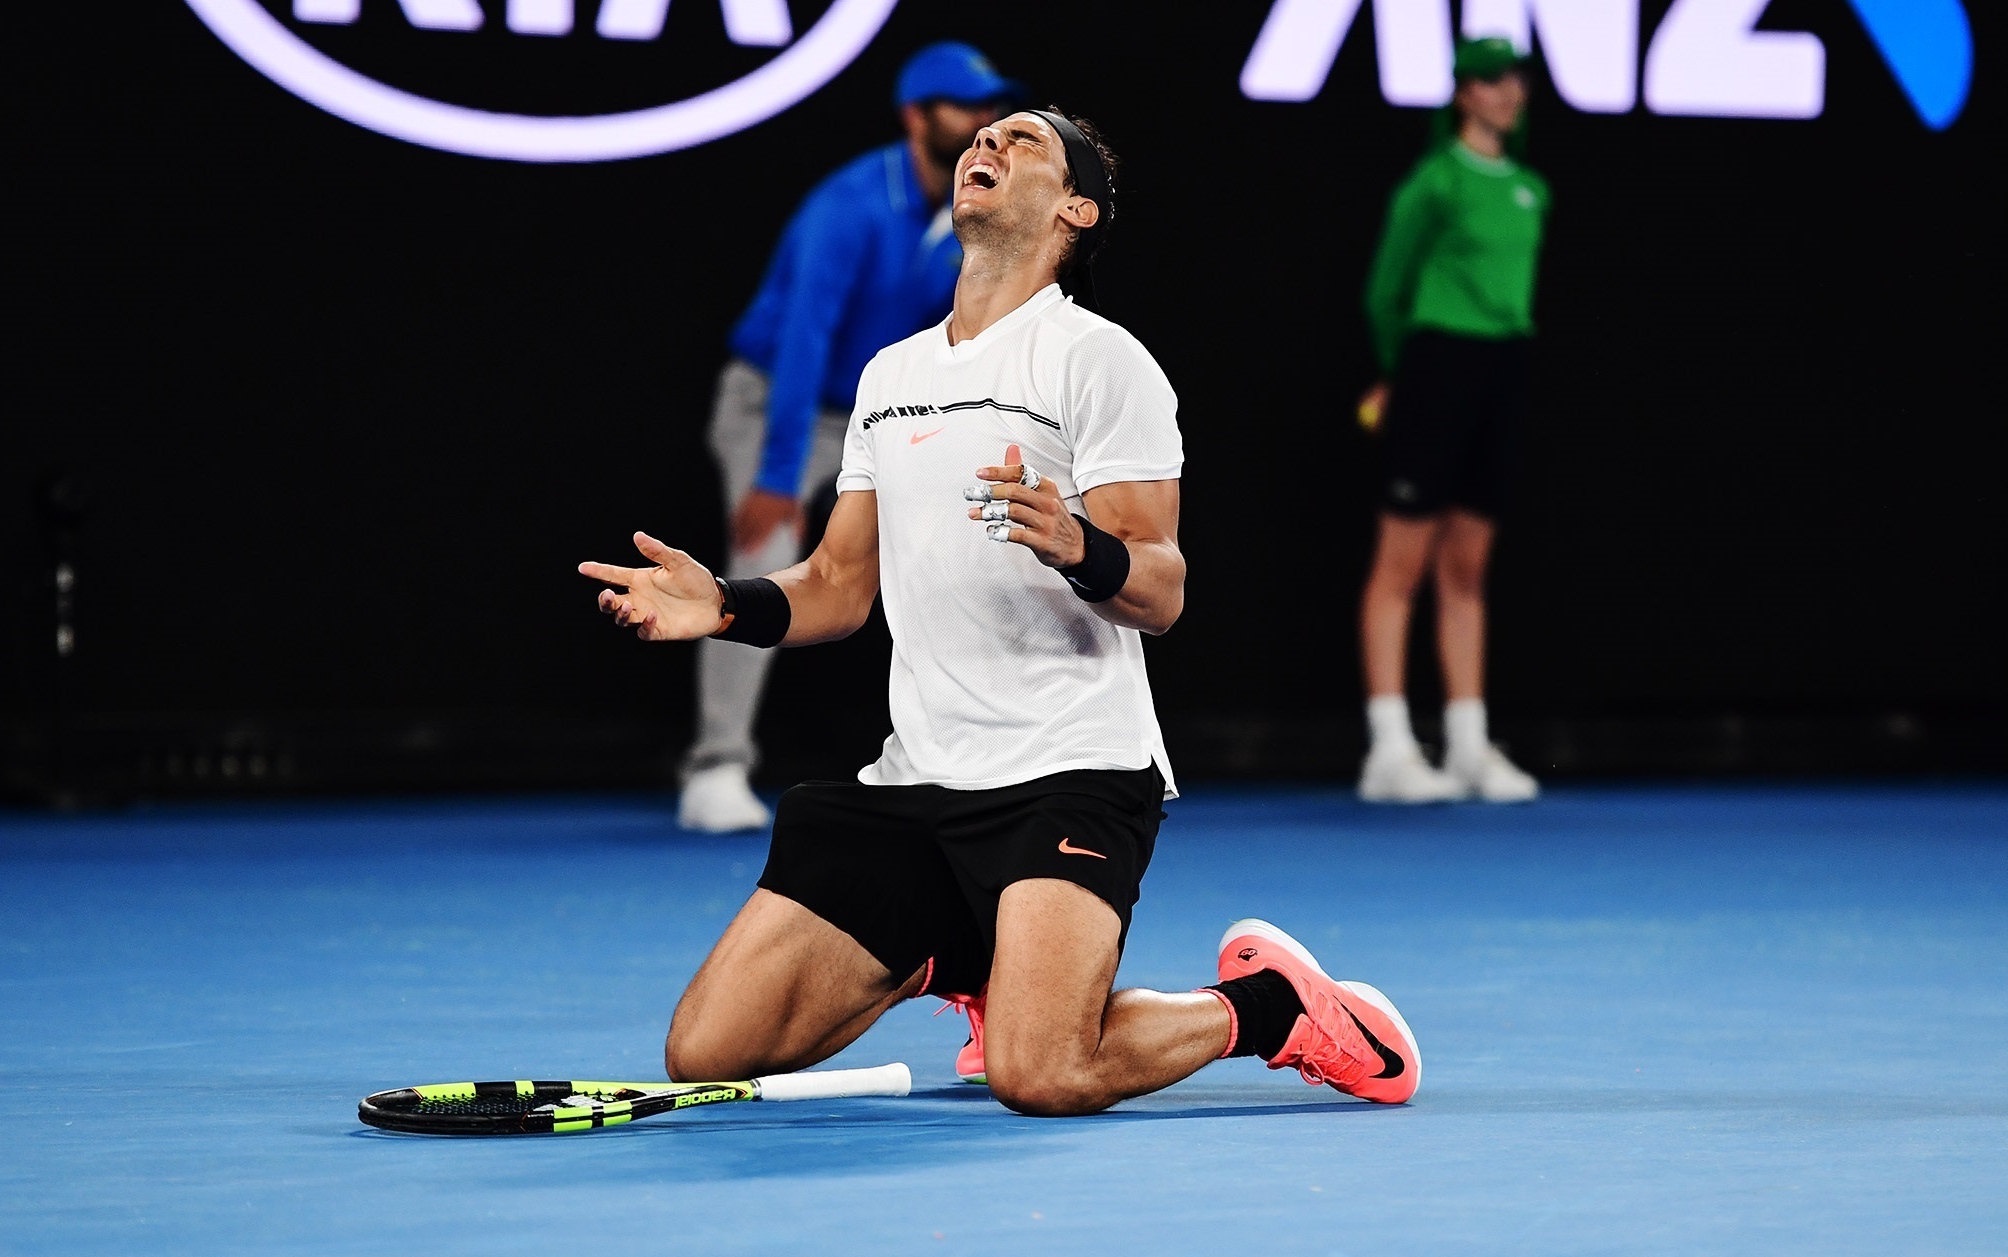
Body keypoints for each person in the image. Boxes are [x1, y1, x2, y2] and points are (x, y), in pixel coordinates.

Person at [581, 110, 1422, 1113]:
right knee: (710, 1049)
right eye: (982, 137)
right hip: (918, 781)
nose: (987, 146)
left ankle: (1269, 1007)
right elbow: (840, 587)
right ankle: (967, 956)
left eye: (1022, 141)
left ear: (1074, 209)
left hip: (1064, 776)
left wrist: (1079, 546)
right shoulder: (889, 376)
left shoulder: (1096, 361)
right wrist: (724, 604)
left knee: (1043, 1072)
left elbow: (1161, 590)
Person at [679, 42, 1022, 834]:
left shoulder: (973, 210)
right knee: (763, 562)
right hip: (775, 405)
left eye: (989, 108)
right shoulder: (849, 205)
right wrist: (777, 475)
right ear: (916, 117)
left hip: (879, 407)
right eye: (964, 109)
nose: (983, 124)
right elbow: (806, 340)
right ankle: (716, 766)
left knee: (969, 543)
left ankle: (966, 762)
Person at [1355, 36, 1548, 803]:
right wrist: (1400, 375)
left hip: (1505, 370)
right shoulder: (1432, 183)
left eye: (1515, 80)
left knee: (1467, 568)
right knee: (1400, 565)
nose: (1508, 92)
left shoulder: (1533, 187)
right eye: (1491, 80)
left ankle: (1468, 743)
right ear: (1464, 93)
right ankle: (1390, 747)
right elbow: (1382, 292)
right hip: (1435, 366)